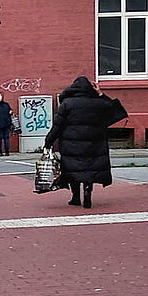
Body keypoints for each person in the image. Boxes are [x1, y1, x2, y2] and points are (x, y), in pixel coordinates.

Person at [44, 76, 115, 209]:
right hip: (94, 143)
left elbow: (58, 126)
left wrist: (49, 141)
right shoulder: (98, 103)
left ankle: (75, 197)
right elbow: (113, 110)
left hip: (71, 145)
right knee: (89, 169)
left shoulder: (67, 104)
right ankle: (87, 194)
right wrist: (100, 94)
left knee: (73, 170)